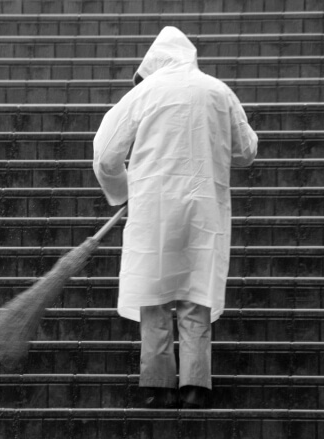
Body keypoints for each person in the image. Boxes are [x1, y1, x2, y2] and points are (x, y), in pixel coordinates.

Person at [92, 26, 258, 409]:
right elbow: (247, 150)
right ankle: (196, 386)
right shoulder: (218, 92)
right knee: (196, 292)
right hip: (204, 208)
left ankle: (158, 385)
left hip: (154, 207)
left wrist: (123, 191)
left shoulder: (143, 93)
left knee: (154, 293)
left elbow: (104, 155)